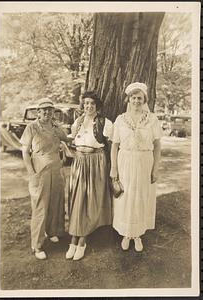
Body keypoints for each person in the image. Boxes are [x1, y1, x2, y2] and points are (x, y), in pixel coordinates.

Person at [110, 82, 162, 252]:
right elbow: (114, 146)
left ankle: (137, 234)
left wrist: (155, 168)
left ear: (144, 99)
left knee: (140, 196)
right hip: (125, 161)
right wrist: (114, 169)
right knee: (126, 196)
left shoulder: (152, 119)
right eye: (133, 97)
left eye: (140, 98)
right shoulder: (120, 119)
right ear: (129, 99)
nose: (136, 101)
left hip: (144, 162)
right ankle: (126, 234)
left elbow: (157, 146)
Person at [66, 91, 113, 260]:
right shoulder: (77, 122)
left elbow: (111, 147)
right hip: (79, 162)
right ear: (83, 105)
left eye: (92, 103)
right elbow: (72, 142)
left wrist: (112, 168)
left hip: (96, 162)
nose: (89, 106)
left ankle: (82, 240)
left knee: (90, 200)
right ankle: (73, 239)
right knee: (77, 199)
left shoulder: (104, 123)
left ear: (97, 106)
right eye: (86, 103)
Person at [21, 98, 68, 260]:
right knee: (41, 206)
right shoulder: (32, 127)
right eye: (44, 110)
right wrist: (31, 172)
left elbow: (67, 138)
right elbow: (25, 152)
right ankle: (37, 244)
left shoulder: (56, 127)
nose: (47, 112)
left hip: (56, 168)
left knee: (56, 202)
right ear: (38, 112)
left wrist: (80, 124)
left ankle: (53, 231)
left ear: (53, 112)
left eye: (50, 109)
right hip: (39, 169)